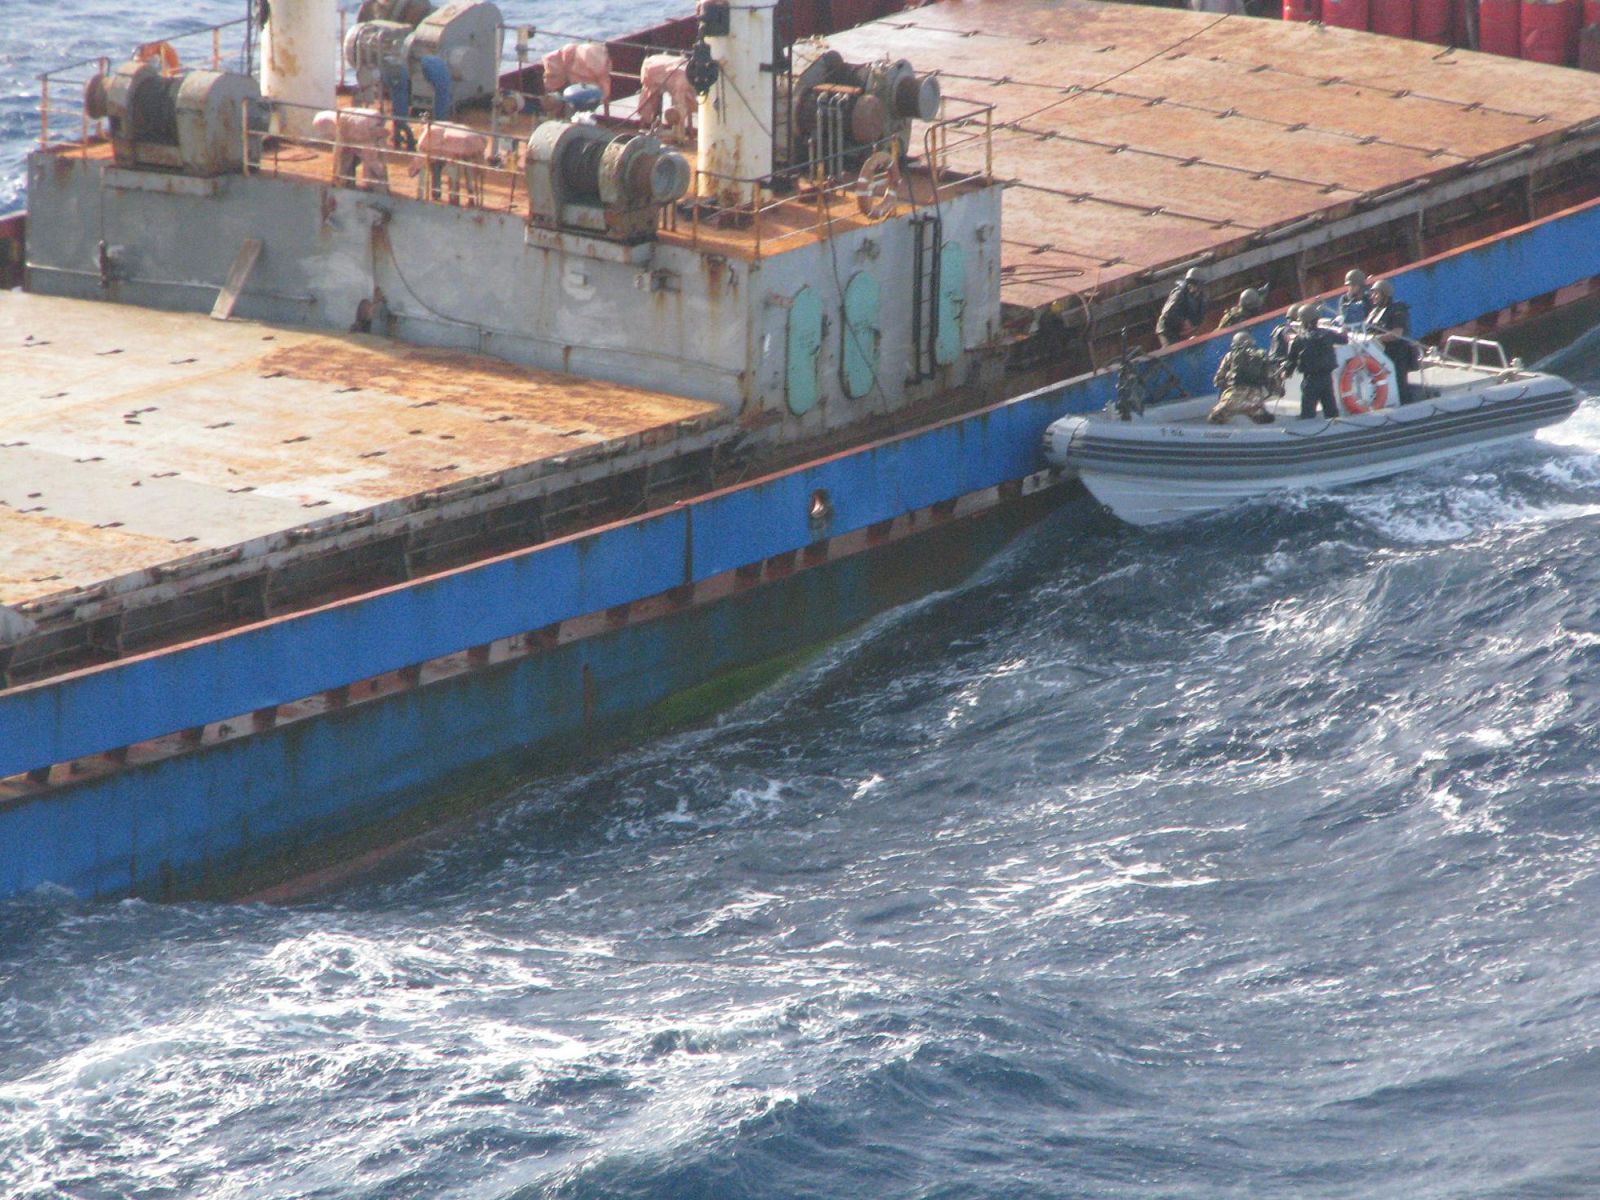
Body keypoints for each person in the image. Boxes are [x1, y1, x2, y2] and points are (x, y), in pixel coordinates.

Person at [1285, 306, 1348, 419]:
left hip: (1311, 380)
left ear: (1303, 321)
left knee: (1307, 412)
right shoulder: (1328, 334)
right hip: (1327, 378)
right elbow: (1344, 340)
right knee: (1331, 409)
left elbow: (1292, 360)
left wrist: (1287, 373)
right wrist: (1343, 329)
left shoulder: (1299, 339)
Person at [1365, 278, 1418, 405]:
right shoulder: (1374, 312)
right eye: (1372, 293)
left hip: (1397, 354)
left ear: (1385, 295)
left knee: (1399, 385)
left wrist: (1375, 339)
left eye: (1376, 293)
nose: (1373, 296)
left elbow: (1397, 334)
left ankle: (1406, 407)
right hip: (1380, 354)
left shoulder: (1397, 310)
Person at [1208, 331, 1276, 424]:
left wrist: (1224, 381)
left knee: (1214, 418)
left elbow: (1218, 379)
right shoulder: (1260, 355)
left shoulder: (1230, 356)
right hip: (1255, 399)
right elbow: (1270, 377)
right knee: (1264, 419)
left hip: (1232, 398)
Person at [1157, 268, 1206, 346]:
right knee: (1173, 351)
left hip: (1184, 331)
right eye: (1191, 283)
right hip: (1167, 330)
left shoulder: (1201, 297)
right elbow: (1168, 313)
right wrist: (1183, 321)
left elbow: (1200, 316)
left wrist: (1192, 327)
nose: (1194, 287)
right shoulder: (1179, 294)